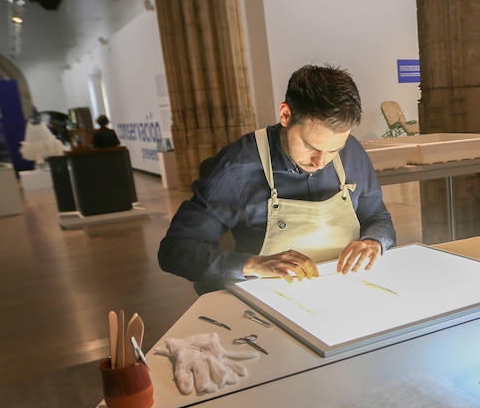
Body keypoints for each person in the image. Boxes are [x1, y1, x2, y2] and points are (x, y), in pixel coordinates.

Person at [159, 64, 395, 293]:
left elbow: (378, 217)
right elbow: (176, 250)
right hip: (271, 296)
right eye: (311, 146)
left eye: (334, 150)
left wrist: (374, 242)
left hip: (344, 288)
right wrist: (254, 265)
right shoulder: (237, 167)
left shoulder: (352, 152)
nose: (320, 162)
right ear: (286, 114)